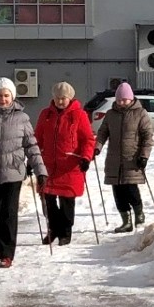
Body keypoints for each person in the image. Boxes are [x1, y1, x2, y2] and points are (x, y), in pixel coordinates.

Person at [0, 77, 48, 267]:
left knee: (9, 214)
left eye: (6, 95)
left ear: (13, 97)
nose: (3, 99)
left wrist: (40, 170)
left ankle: (7, 254)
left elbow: (32, 146)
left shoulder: (22, 119)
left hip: (13, 173)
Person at [34, 81, 96, 245]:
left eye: (63, 98)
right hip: (49, 165)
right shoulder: (45, 115)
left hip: (70, 166)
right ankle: (53, 229)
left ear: (70, 98)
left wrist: (86, 158)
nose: (60, 101)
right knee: (47, 200)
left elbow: (88, 140)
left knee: (67, 202)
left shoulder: (79, 115)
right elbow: (37, 138)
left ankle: (65, 232)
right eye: (57, 98)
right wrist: (32, 158)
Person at [94, 82, 153, 232]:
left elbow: (147, 137)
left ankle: (139, 214)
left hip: (132, 158)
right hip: (114, 160)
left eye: (124, 100)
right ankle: (126, 222)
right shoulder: (111, 114)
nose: (121, 103)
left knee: (131, 189)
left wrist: (144, 156)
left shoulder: (140, 113)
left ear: (131, 99)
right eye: (119, 100)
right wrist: (97, 147)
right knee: (118, 192)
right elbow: (102, 133)